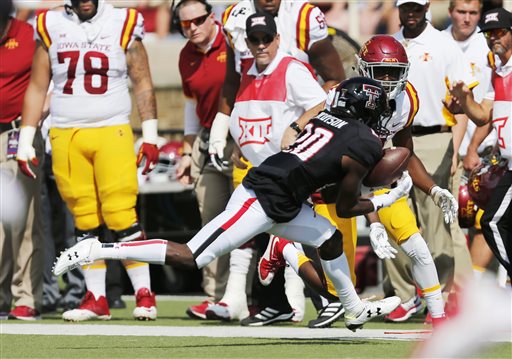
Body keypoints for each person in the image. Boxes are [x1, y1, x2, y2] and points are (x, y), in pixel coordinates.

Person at [54, 77, 414, 331]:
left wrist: (372, 194)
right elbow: (347, 205)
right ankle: (97, 248)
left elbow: (332, 190)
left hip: (282, 196)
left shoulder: (326, 120)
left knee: (330, 239)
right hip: (261, 199)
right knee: (191, 255)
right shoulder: (363, 141)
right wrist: (387, 196)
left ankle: (352, 310)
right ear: (368, 113)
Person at [258, 35, 456, 329]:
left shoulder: (407, 98)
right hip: (334, 184)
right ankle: (285, 248)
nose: (389, 80)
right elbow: (351, 166)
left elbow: (404, 152)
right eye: (381, 71)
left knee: (416, 245)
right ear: (364, 70)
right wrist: (373, 221)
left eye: (395, 71)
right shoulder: (346, 99)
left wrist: (434, 189)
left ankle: (438, 319)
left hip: (374, 178)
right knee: (337, 290)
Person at [209, 0, 351, 326]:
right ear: (246, 42)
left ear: (277, 39)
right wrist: (227, 135)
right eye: (254, 40)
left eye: (266, 39)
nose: (260, 45)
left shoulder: (290, 66)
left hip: (288, 164)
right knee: (263, 235)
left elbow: (326, 95)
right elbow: (239, 96)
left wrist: (303, 129)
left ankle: (329, 299)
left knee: (300, 235)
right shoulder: (248, 66)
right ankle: (275, 303)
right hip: (259, 163)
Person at [17, 0, 160, 321]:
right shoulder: (50, 24)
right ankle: (95, 297)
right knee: (83, 218)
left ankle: (144, 292)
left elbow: (142, 80)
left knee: (121, 213)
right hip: (65, 133)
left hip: (111, 128)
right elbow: (38, 85)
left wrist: (150, 133)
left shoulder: (122, 21)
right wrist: (26, 138)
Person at [381, 0, 476, 322]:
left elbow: (461, 101)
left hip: (435, 135)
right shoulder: (390, 44)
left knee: (436, 222)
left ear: (426, 8)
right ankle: (405, 295)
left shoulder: (444, 45)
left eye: (416, 7)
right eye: (406, 7)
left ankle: (442, 295)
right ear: (399, 8)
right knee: (389, 214)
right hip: (393, 136)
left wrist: (456, 148)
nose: (411, 13)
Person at [173, 0, 237, 320]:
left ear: (212, 18)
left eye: (198, 20)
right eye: (185, 24)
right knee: (211, 219)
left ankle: (255, 296)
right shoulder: (186, 54)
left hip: (241, 137)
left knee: (251, 219)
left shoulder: (236, 38)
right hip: (207, 139)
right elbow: (190, 105)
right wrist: (187, 152)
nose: (193, 28)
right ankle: (215, 296)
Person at [448, 7, 512, 278]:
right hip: (507, 163)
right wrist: (463, 99)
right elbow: (483, 114)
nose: (493, 38)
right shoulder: (497, 68)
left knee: (493, 221)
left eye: (499, 32)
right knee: (493, 221)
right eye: (488, 33)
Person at [0, 0, 44, 320]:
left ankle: (25, 296)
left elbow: (49, 80)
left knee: (21, 221)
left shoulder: (29, 35)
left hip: (17, 133)